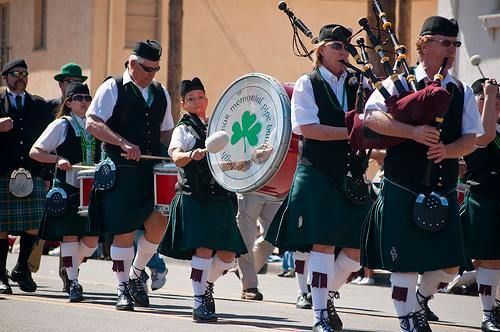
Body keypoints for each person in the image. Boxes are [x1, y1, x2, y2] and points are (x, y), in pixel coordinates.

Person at [361, 16, 484, 332]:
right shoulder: (398, 83)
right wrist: (411, 131)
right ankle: (407, 318)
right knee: (404, 262)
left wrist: (449, 150)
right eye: (446, 43)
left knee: (450, 264)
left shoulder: (460, 90)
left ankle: (418, 298)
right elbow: (372, 118)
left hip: (441, 185)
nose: (452, 50)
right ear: (425, 43)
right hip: (402, 183)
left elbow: (472, 137)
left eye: (456, 44)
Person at [265, 24, 373, 332]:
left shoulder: (358, 83)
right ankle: (321, 314)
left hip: (349, 174)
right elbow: (308, 129)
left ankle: (323, 293)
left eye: (346, 47)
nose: (343, 52)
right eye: (337, 46)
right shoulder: (307, 83)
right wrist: (353, 135)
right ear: (320, 50)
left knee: (358, 249)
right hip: (317, 172)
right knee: (323, 245)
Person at [86, 39, 174, 311]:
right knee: (123, 232)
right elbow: (92, 123)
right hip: (121, 169)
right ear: (133, 64)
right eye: (148, 69)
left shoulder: (161, 92)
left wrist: (173, 155)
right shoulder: (112, 87)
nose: (152, 75)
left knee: (159, 225)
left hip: (150, 171)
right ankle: (122, 288)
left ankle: (136, 275)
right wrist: (123, 143)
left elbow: (166, 131)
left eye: (156, 69)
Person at [159, 77, 247, 323]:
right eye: (191, 99)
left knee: (229, 255)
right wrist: (191, 154)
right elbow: (176, 157)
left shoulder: (216, 126)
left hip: (220, 196)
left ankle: (205, 284)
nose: (197, 101)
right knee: (205, 250)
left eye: (200, 97)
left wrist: (250, 161)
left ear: (207, 99)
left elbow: (224, 163)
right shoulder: (183, 129)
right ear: (183, 104)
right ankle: (199, 302)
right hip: (195, 196)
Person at [29, 82, 100, 302]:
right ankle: (73, 283)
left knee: (92, 242)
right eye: (79, 98)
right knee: (69, 236)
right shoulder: (61, 125)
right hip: (68, 187)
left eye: (88, 98)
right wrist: (57, 158)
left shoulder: (94, 125)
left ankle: (69, 267)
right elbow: (35, 152)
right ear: (68, 102)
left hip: (91, 189)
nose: (85, 102)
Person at [0, 59, 52, 294]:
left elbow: (49, 139)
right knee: (1, 227)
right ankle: (0, 274)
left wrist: (48, 173)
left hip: (32, 172)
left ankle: (22, 268)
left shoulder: (38, 105)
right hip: (2, 172)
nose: (20, 77)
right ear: (5, 78)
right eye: (15, 74)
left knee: (33, 225)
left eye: (24, 73)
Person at [461, 77, 500, 331]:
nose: (494, 104)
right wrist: (487, 95)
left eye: (498, 100)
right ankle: (421, 297)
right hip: (483, 198)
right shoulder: (469, 127)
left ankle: (491, 310)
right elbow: (484, 136)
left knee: (494, 260)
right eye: (487, 99)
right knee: (485, 260)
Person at [236, 192, 282, 300]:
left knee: (273, 236)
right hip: (250, 189)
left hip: (273, 190)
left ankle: (246, 271)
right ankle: (249, 286)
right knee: (246, 241)